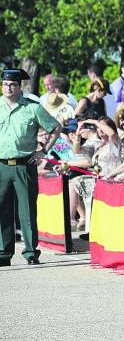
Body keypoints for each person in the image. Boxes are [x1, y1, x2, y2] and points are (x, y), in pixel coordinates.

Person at [0, 68, 61, 266]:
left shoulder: (32, 108)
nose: (8, 88)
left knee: (26, 211)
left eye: (12, 85)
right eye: (5, 84)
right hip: (1, 165)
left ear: (20, 87)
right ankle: (3, 253)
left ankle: (31, 252)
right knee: (2, 210)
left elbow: (55, 127)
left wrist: (43, 151)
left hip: (24, 164)